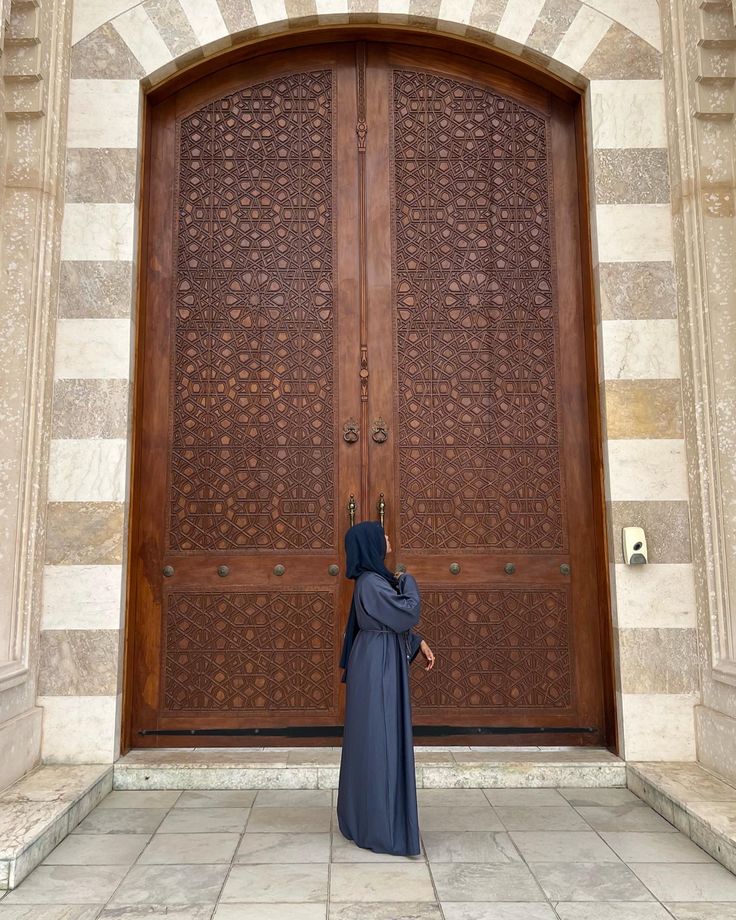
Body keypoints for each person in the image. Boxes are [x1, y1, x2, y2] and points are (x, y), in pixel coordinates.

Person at [336, 520, 436, 857]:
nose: (388, 539)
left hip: (378, 658)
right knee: (380, 739)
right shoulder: (372, 583)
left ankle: (369, 818)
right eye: (383, 536)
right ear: (371, 545)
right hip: (377, 666)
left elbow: (389, 623)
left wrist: (417, 643)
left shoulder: (372, 582)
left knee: (377, 739)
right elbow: (406, 613)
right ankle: (380, 828)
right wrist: (408, 580)